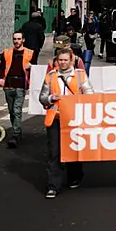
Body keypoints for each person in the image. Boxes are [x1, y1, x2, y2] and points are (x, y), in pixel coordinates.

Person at [39, 47, 93, 198]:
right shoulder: (51, 76)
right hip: (55, 118)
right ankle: (53, 186)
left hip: (74, 119)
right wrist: (50, 98)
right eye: (60, 60)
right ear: (56, 60)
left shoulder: (80, 75)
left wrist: (80, 101)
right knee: (54, 152)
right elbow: (42, 97)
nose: (62, 63)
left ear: (71, 61)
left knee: (73, 150)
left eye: (65, 60)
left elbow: (90, 94)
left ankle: (75, 177)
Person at [0, 32, 34, 148]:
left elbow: (36, 69)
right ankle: (16, 130)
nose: (16, 41)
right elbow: (1, 67)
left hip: (21, 85)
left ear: (23, 40)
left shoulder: (30, 53)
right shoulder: (7, 53)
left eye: (19, 39)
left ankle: (15, 134)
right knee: (11, 111)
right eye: (14, 39)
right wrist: (0, 79)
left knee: (17, 110)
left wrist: (31, 67)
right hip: (8, 85)